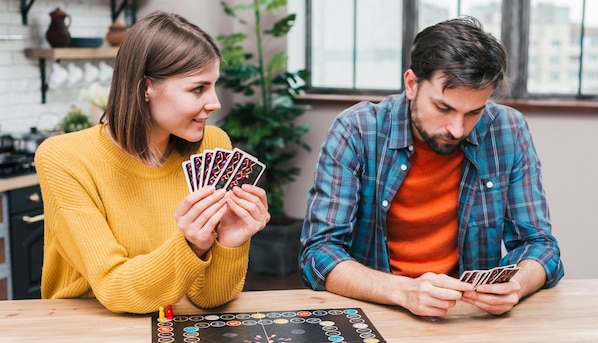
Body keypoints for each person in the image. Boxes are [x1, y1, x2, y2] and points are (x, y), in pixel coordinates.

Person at [299, 17, 564, 317]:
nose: (457, 129)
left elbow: (540, 246)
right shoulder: (356, 130)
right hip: (379, 312)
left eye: (474, 112)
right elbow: (318, 254)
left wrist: (517, 283)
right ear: (411, 84)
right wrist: (402, 291)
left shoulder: (507, 129)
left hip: (470, 318)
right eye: (443, 108)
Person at [35, 11, 270, 314]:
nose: (215, 103)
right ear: (147, 87)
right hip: (86, 330)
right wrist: (191, 246)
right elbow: (115, 288)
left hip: (171, 321)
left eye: (213, 86)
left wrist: (229, 243)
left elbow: (210, 298)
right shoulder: (64, 158)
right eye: (198, 88)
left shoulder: (212, 146)